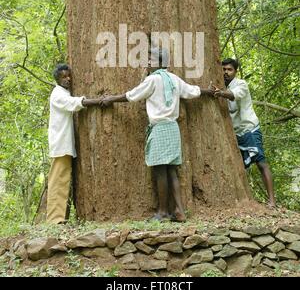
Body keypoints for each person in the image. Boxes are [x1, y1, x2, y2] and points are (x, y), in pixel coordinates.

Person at [100, 47, 214, 222]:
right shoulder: (174, 79)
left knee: (160, 170)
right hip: (173, 128)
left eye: (151, 59)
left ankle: (162, 212)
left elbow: (132, 95)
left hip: (160, 128)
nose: (147, 62)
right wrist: (209, 91)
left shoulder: (152, 80)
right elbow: (193, 91)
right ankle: (179, 211)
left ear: (162, 63)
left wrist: (111, 99)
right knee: (172, 170)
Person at [212, 58, 275, 207]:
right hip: (235, 134)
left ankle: (272, 201)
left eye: (229, 69)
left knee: (261, 163)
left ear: (235, 71)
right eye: (224, 69)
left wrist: (220, 93)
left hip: (249, 129)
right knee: (238, 166)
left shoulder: (241, 84)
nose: (226, 72)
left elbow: (233, 95)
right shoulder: (220, 85)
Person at [47, 63, 102, 224]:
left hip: (64, 144)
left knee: (63, 179)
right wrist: (97, 101)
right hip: (60, 145)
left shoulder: (64, 92)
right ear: (57, 79)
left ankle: (58, 217)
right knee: (59, 180)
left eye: (68, 75)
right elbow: (74, 103)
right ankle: (54, 219)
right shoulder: (58, 94)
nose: (68, 79)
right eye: (63, 77)